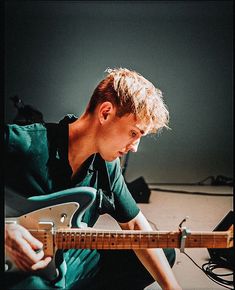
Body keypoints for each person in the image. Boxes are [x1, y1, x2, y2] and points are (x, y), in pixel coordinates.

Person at [4, 68, 182, 290]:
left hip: (70, 260)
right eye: (134, 133)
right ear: (106, 112)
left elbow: (136, 226)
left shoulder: (107, 165)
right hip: (22, 268)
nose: (135, 147)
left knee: (162, 253)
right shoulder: (22, 143)